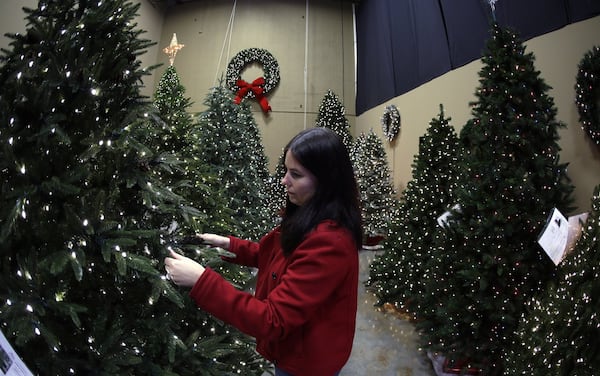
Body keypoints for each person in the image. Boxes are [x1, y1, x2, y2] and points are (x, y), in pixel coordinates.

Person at [164, 127, 362, 376]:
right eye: (286, 171)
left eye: (296, 174)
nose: (284, 181)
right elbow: (279, 259)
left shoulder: (329, 241)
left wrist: (201, 281)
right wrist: (227, 245)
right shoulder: (309, 214)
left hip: (307, 363)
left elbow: (273, 319)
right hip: (294, 349)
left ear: (326, 181)